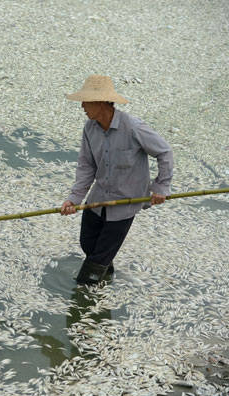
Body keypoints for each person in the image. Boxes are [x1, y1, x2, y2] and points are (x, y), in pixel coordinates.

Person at [61, 75, 173, 285]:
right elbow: (86, 166)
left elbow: (165, 152)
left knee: (98, 257)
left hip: (125, 203)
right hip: (97, 200)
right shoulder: (90, 128)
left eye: (86, 101)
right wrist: (74, 199)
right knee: (88, 244)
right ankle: (107, 275)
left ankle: (86, 288)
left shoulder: (133, 127)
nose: (82, 106)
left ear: (102, 102)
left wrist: (160, 187)